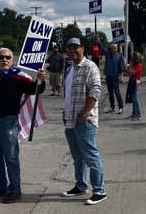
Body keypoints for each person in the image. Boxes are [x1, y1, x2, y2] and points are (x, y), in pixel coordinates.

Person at [0, 47, 46, 204]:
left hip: (8, 122)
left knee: (11, 157)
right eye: (1, 57)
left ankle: (14, 189)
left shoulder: (18, 78)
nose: (4, 60)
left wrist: (40, 79)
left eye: (7, 57)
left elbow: (35, 89)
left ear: (12, 61)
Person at [60, 38, 107, 205]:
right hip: (70, 119)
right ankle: (81, 185)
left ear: (82, 48)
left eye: (75, 47)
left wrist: (86, 112)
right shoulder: (70, 67)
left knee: (90, 156)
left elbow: (96, 90)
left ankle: (100, 191)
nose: (72, 50)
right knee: (77, 156)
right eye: (69, 47)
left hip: (84, 120)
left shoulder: (89, 66)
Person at [97, 34, 124, 114]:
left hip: (115, 77)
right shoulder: (108, 54)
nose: (113, 49)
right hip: (108, 76)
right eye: (112, 48)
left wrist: (121, 76)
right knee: (110, 93)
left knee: (117, 92)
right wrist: (98, 40)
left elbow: (121, 67)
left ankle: (120, 107)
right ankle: (112, 107)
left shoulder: (119, 56)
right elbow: (101, 47)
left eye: (115, 48)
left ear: (117, 48)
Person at [127, 52, 144, 121]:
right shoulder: (134, 64)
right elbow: (128, 72)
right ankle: (134, 113)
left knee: (135, 99)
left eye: (132, 58)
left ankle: (138, 114)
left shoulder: (139, 65)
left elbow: (132, 72)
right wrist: (130, 67)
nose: (131, 59)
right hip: (132, 82)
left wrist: (130, 66)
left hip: (136, 82)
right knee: (133, 99)